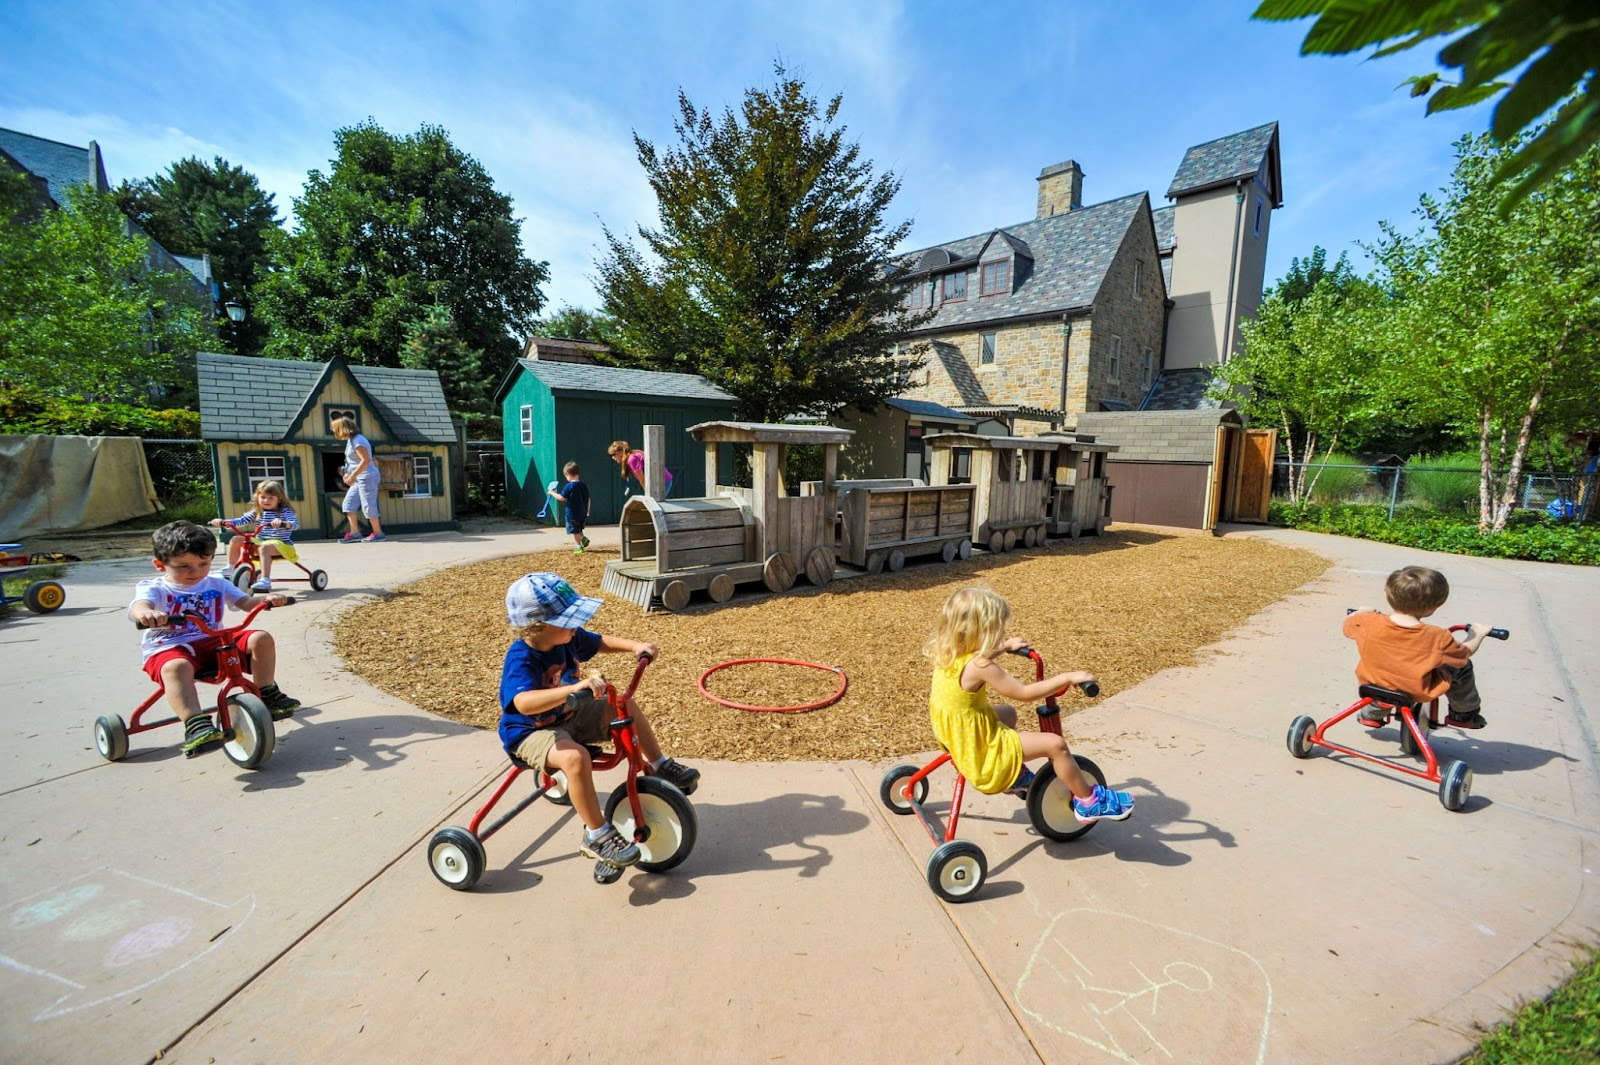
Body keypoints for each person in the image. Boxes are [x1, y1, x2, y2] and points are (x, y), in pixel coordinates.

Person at [498, 572, 701, 867]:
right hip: (530, 731)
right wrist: (573, 689)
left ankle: (660, 766)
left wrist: (634, 646)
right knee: (576, 759)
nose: (576, 626)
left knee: (622, 705)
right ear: (537, 626)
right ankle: (597, 835)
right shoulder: (522, 658)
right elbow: (523, 703)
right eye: (568, 621)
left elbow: (598, 641)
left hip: (567, 716)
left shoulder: (566, 637)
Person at [925, 585, 1133, 822]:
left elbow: (975, 660)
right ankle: (1090, 803)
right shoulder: (982, 667)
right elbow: (1024, 692)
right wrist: (1066, 678)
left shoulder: (949, 652)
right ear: (981, 631)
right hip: (977, 750)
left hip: (952, 734)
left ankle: (1015, 775)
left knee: (1009, 714)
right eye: (998, 629)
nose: (1001, 632)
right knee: (1056, 745)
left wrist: (1003, 647)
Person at [128, 521, 301, 755]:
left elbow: (245, 603)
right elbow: (138, 606)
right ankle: (195, 723)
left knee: (260, 638)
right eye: (183, 566)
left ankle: (267, 693)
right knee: (177, 666)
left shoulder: (217, 582)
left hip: (213, 642)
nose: (196, 572)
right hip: (170, 647)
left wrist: (266, 601)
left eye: (203, 563)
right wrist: (147, 614)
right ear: (160, 565)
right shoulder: (155, 588)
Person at [1344, 565, 1493, 729]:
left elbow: (1348, 624)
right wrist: (1476, 634)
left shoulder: (1367, 622)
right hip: (1416, 690)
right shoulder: (1438, 637)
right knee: (1462, 667)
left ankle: (1371, 714)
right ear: (1436, 606)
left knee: (1384, 675)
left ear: (1386, 594)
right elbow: (1464, 654)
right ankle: (1463, 715)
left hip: (1371, 685)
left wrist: (1362, 612)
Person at [211, 479, 300, 591]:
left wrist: (284, 523)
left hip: (281, 545)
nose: (266, 500)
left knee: (264, 548)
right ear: (257, 497)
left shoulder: (284, 511)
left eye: (271, 497)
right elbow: (241, 521)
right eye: (263, 497)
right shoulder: (258, 511)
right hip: (261, 542)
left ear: (279, 498)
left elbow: (295, 524)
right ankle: (230, 567)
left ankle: (265, 580)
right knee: (236, 539)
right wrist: (223, 522)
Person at [331, 416, 386, 543]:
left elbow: (365, 460)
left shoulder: (358, 441)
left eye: (335, 429)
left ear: (342, 428)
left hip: (367, 476)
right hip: (358, 477)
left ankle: (378, 534)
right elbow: (352, 462)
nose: (334, 432)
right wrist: (346, 473)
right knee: (348, 504)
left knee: (368, 505)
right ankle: (355, 533)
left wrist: (352, 476)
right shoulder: (351, 441)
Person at [547, 462, 592, 553]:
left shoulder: (568, 486)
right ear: (578, 473)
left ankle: (578, 546)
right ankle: (583, 538)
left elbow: (562, 498)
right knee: (578, 527)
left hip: (572, 513)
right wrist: (587, 511)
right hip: (582, 512)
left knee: (575, 530)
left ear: (568, 474)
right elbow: (588, 499)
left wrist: (551, 492)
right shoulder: (583, 485)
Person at [608, 440, 674, 498]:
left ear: (620, 453)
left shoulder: (631, 460)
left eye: (613, 455)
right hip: (659, 481)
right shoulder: (631, 455)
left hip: (663, 481)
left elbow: (642, 479)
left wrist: (649, 495)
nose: (613, 457)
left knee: (655, 504)